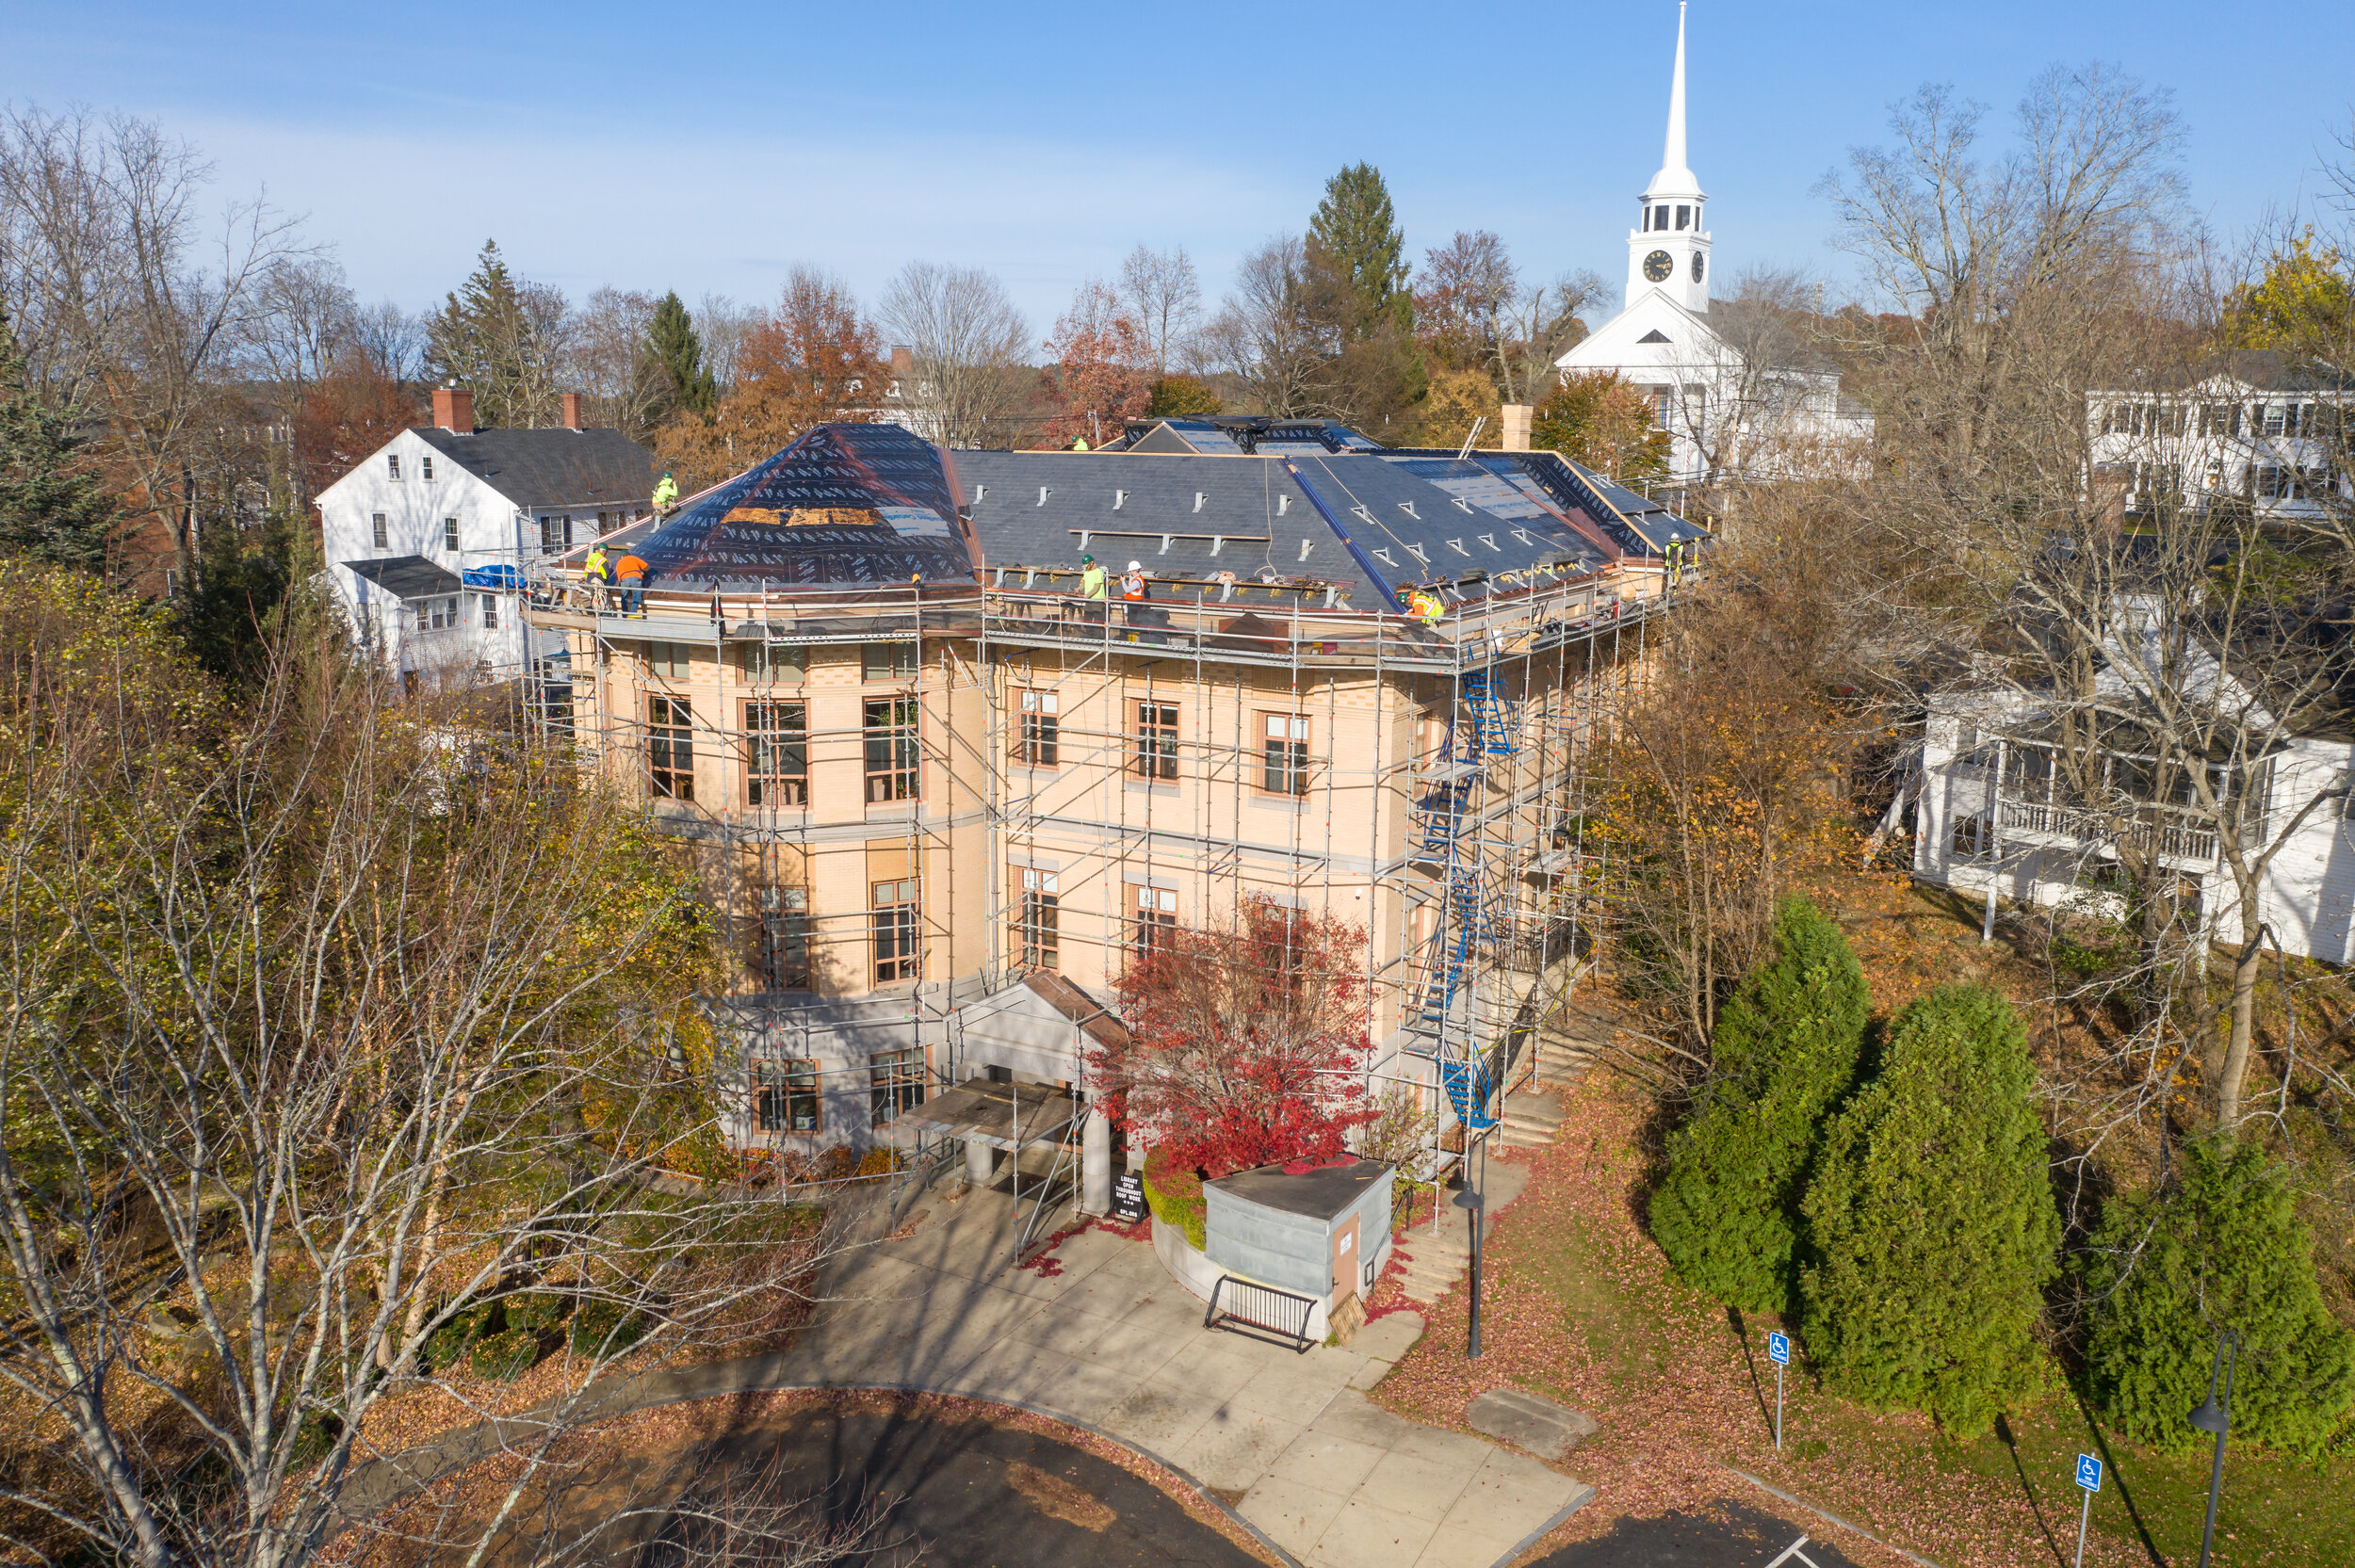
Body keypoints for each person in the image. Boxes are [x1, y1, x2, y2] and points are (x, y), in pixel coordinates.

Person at [614, 550, 650, 616]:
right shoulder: (634, 558)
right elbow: (647, 567)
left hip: (624, 580)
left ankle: (625, 614)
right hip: (636, 579)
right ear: (628, 554)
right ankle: (632, 613)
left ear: (621, 556)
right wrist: (645, 575)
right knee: (636, 597)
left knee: (624, 597)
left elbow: (619, 578)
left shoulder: (619, 562)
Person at [583, 544, 609, 609]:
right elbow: (607, 572)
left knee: (593, 595)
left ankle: (592, 608)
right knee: (601, 595)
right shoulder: (602, 559)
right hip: (598, 578)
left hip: (589, 578)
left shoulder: (592, 556)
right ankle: (602, 609)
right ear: (604, 551)